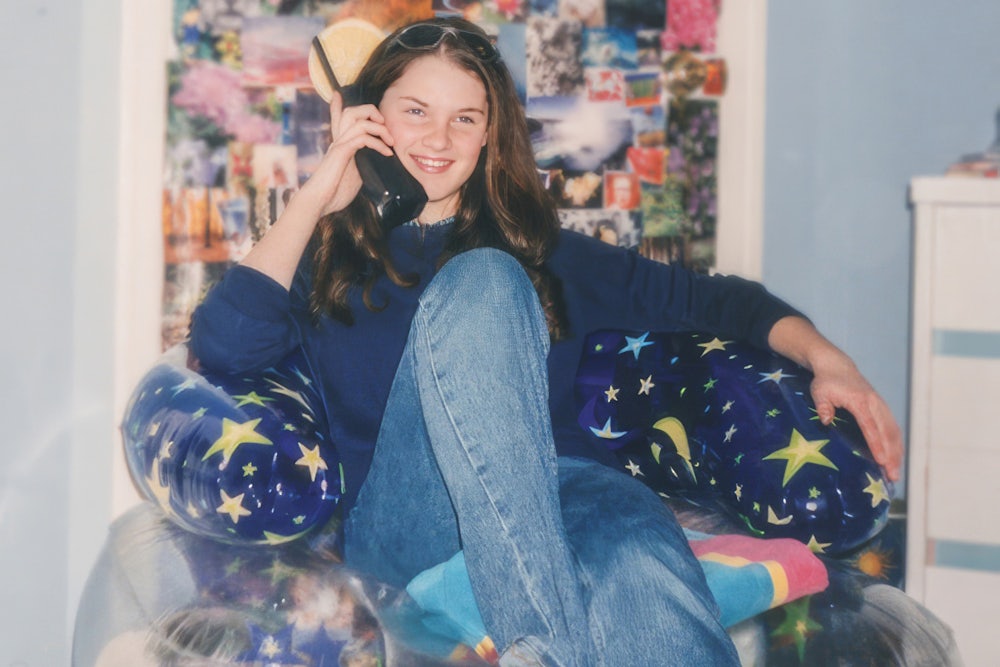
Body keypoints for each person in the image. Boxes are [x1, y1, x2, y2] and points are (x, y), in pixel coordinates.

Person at [189, 16, 902, 666]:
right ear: (368, 120)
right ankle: (545, 648)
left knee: (634, 536)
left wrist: (829, 359)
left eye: (464, 119)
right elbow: (222, 347)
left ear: (489, 136)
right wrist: (319, 195)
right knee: (488, 283)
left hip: (566, 496)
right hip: (411, 528)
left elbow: (721, 300)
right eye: (415, 112)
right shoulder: (323, 257)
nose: (438, 140)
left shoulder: (546, 251)